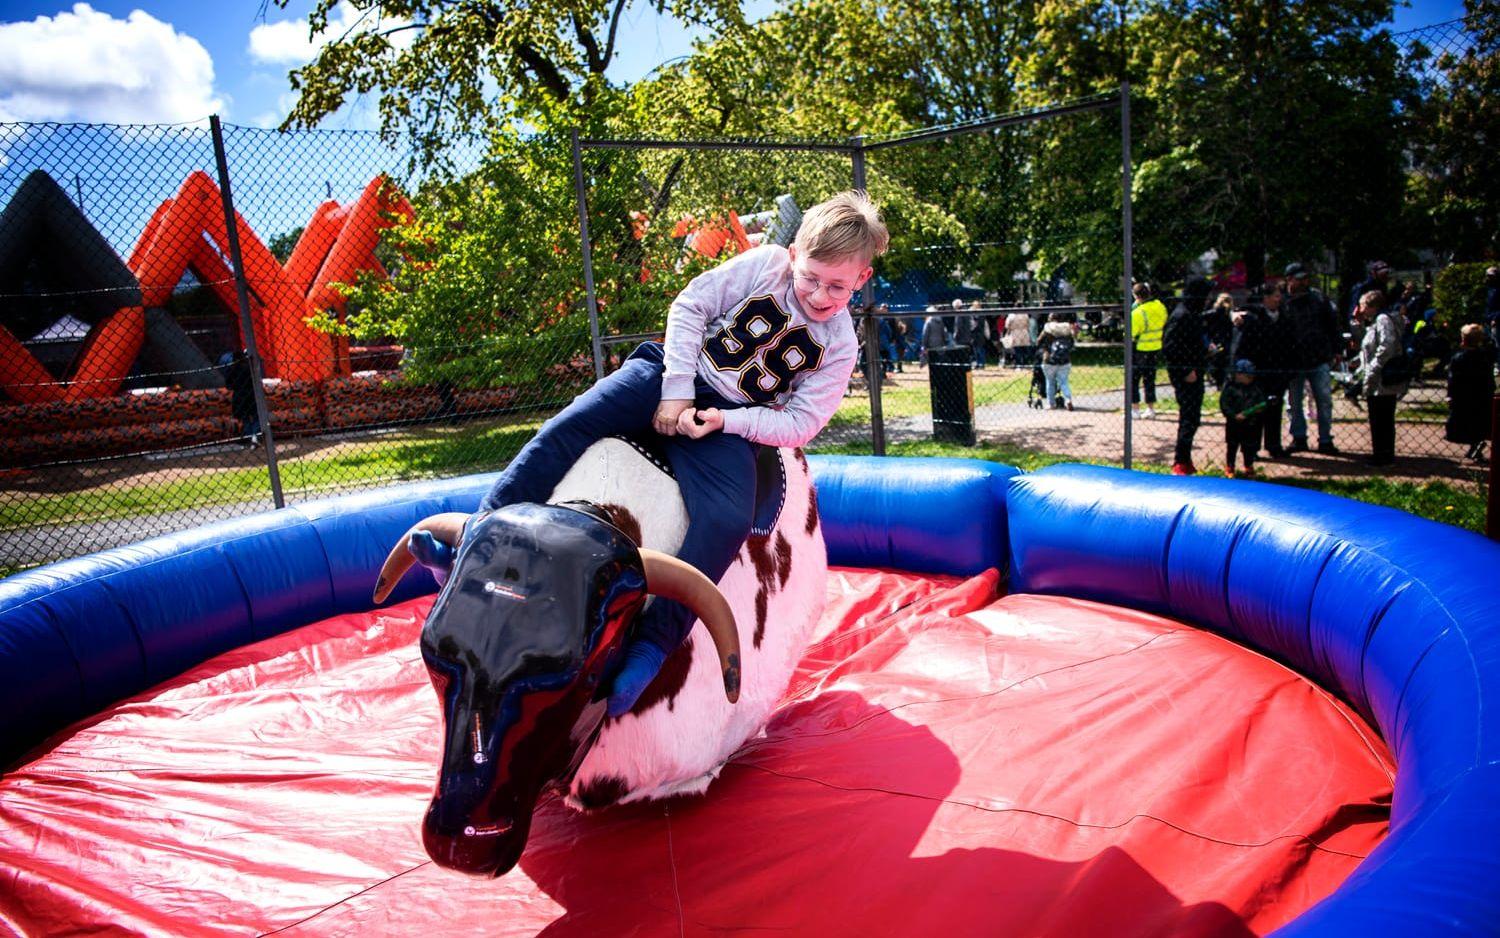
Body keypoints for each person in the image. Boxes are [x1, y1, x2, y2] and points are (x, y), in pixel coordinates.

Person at [467, 191, 888, 717]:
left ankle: (653, 644)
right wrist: (676, 389)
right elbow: (691, 306)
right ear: (794, 253)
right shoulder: (764, 266)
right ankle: (480, 532)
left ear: (862, 281)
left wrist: (727, 421)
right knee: (571, 424)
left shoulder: (841, 343)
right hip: (671, 374)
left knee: (728, 517)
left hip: (730, 423)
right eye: (812, 278)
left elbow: (803, 421)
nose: (821, 295)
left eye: (838, 287)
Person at [1282, 263, 1341, 455]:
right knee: (1294, 402)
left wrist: (1337, 349)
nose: (1304, 282)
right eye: (1299, 278)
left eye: (1305, 278)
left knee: (1324, 399)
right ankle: (1299, 438)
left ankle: (1325, 439)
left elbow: (1333, 325)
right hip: (1293, 359)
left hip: (1318, 357)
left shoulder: (1318, 298)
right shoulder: (1282, 300)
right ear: (1289, 279)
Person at [1353, 289, 1409, 466]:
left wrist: (1374, 365)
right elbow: (1368, 346)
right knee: (1379, 416)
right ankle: (1381, 453)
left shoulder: (1382, 319)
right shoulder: (1375, 321)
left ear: (1371, 306)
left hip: (1382, 376)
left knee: (1381, 416)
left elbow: (1388, 344)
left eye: (1362, 306)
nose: (1360, 309)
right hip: (1378, 375)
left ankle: (1383, 456)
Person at [1162, 277, 1211, 475]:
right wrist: (1185, 370)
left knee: (1193, 418)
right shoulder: (1181, 315)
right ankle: (1180, 462)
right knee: (1189, 418)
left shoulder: (1192, 313)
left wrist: (1206, 348)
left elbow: (1190, 342)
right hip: (1186, 375)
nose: (1208, 299)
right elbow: (1170, 347)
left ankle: (1185, 459)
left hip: (1195, 370)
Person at [1244, 284, 1293, 458]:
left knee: (1275, 408)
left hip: (1278, 370)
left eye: (1280, 296)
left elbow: (1291, 344)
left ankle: (1273, 445)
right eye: (1275, 296)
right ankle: (1252, 448)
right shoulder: (1254, 317)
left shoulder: (1285, 317)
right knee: (1256, 410)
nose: (1278, 299)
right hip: (1259, 370)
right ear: (1265, 298)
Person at [1446, 324, 1494, 462]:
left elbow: (1453, 379)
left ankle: (1475, 445)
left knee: (1465, 422)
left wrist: (1450, 395)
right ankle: (1476, 444)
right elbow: (1488, 379)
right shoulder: (1484, 357)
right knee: (1479, 423)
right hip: (1480, 396)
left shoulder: (1459, 358)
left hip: (1463, 396)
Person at [1220, 359, 1267, 477]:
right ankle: (1230, 466)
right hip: (1234, 424)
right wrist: (1233, 415)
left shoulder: (1254, 388)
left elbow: (1260, 401)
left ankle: (1248, 466)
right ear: (1238, 375)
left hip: (1250, 424)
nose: (1251, 379)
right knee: (1232, 446)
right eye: (1248, 376)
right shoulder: (1230, 388)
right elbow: (1224, 404)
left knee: (1248, 447)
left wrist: (1258, 410)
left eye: (1251, 376)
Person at [1129, 282, 1166, 419]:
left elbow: (1130, 333)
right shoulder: (1159, 306)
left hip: (1140, 348)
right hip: (1155, 346)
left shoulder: (1138, 312)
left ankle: (1135, 409)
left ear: (1136, 296)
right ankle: (1150, 408)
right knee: (1149, 379)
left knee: (1133, 379)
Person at [219, 349, 260, 447]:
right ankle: (255, 436)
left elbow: (229, 385)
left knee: (245, 418)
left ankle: (249, 436)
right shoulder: (250, 368)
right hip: (252, 393)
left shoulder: (231, 369)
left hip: (239, 395)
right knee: (256, 416)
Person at [1038, 311, 1076, 410]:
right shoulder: (1067, 329)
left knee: (1050, 382)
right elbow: (1071, 344)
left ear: (1050, 319)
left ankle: (1051, 404)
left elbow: (1039, 341)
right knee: (1064, 382)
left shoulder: (1047, 329)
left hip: (1049, 359)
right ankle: (1068, 399)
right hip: (1065, 360)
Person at [1204, 292, 1234, 390]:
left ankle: (1218, 382)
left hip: (1214, 341)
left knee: (1215, 363)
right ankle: (1223, 383)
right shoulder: (1232, 313)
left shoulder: (1212, 313)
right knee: (1226, 363)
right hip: (1228, 341)